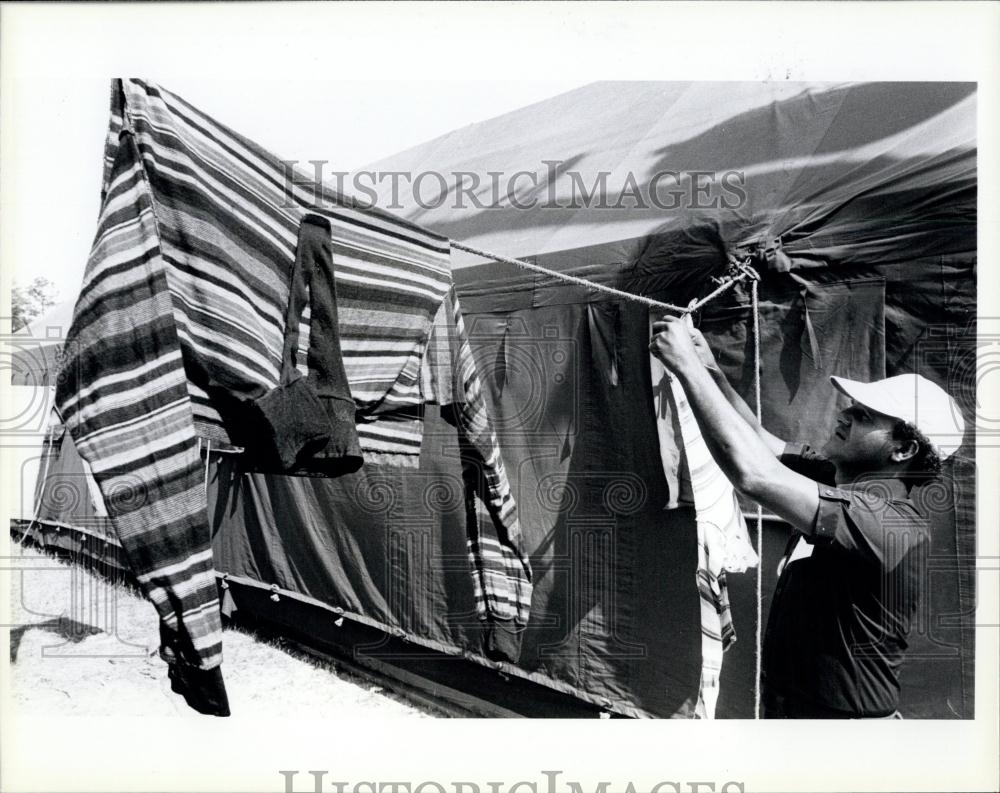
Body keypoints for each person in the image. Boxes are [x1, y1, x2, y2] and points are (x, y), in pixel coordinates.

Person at [649, 312, 965, 718]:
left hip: (842, 735)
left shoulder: (888, 523)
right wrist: (711, 371)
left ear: (903, 451)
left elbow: (754, 474)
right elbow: (761, 443)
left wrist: (686, 369)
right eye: (851, 408)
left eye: (864, 416)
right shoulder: (839, 479)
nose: (844, 415)